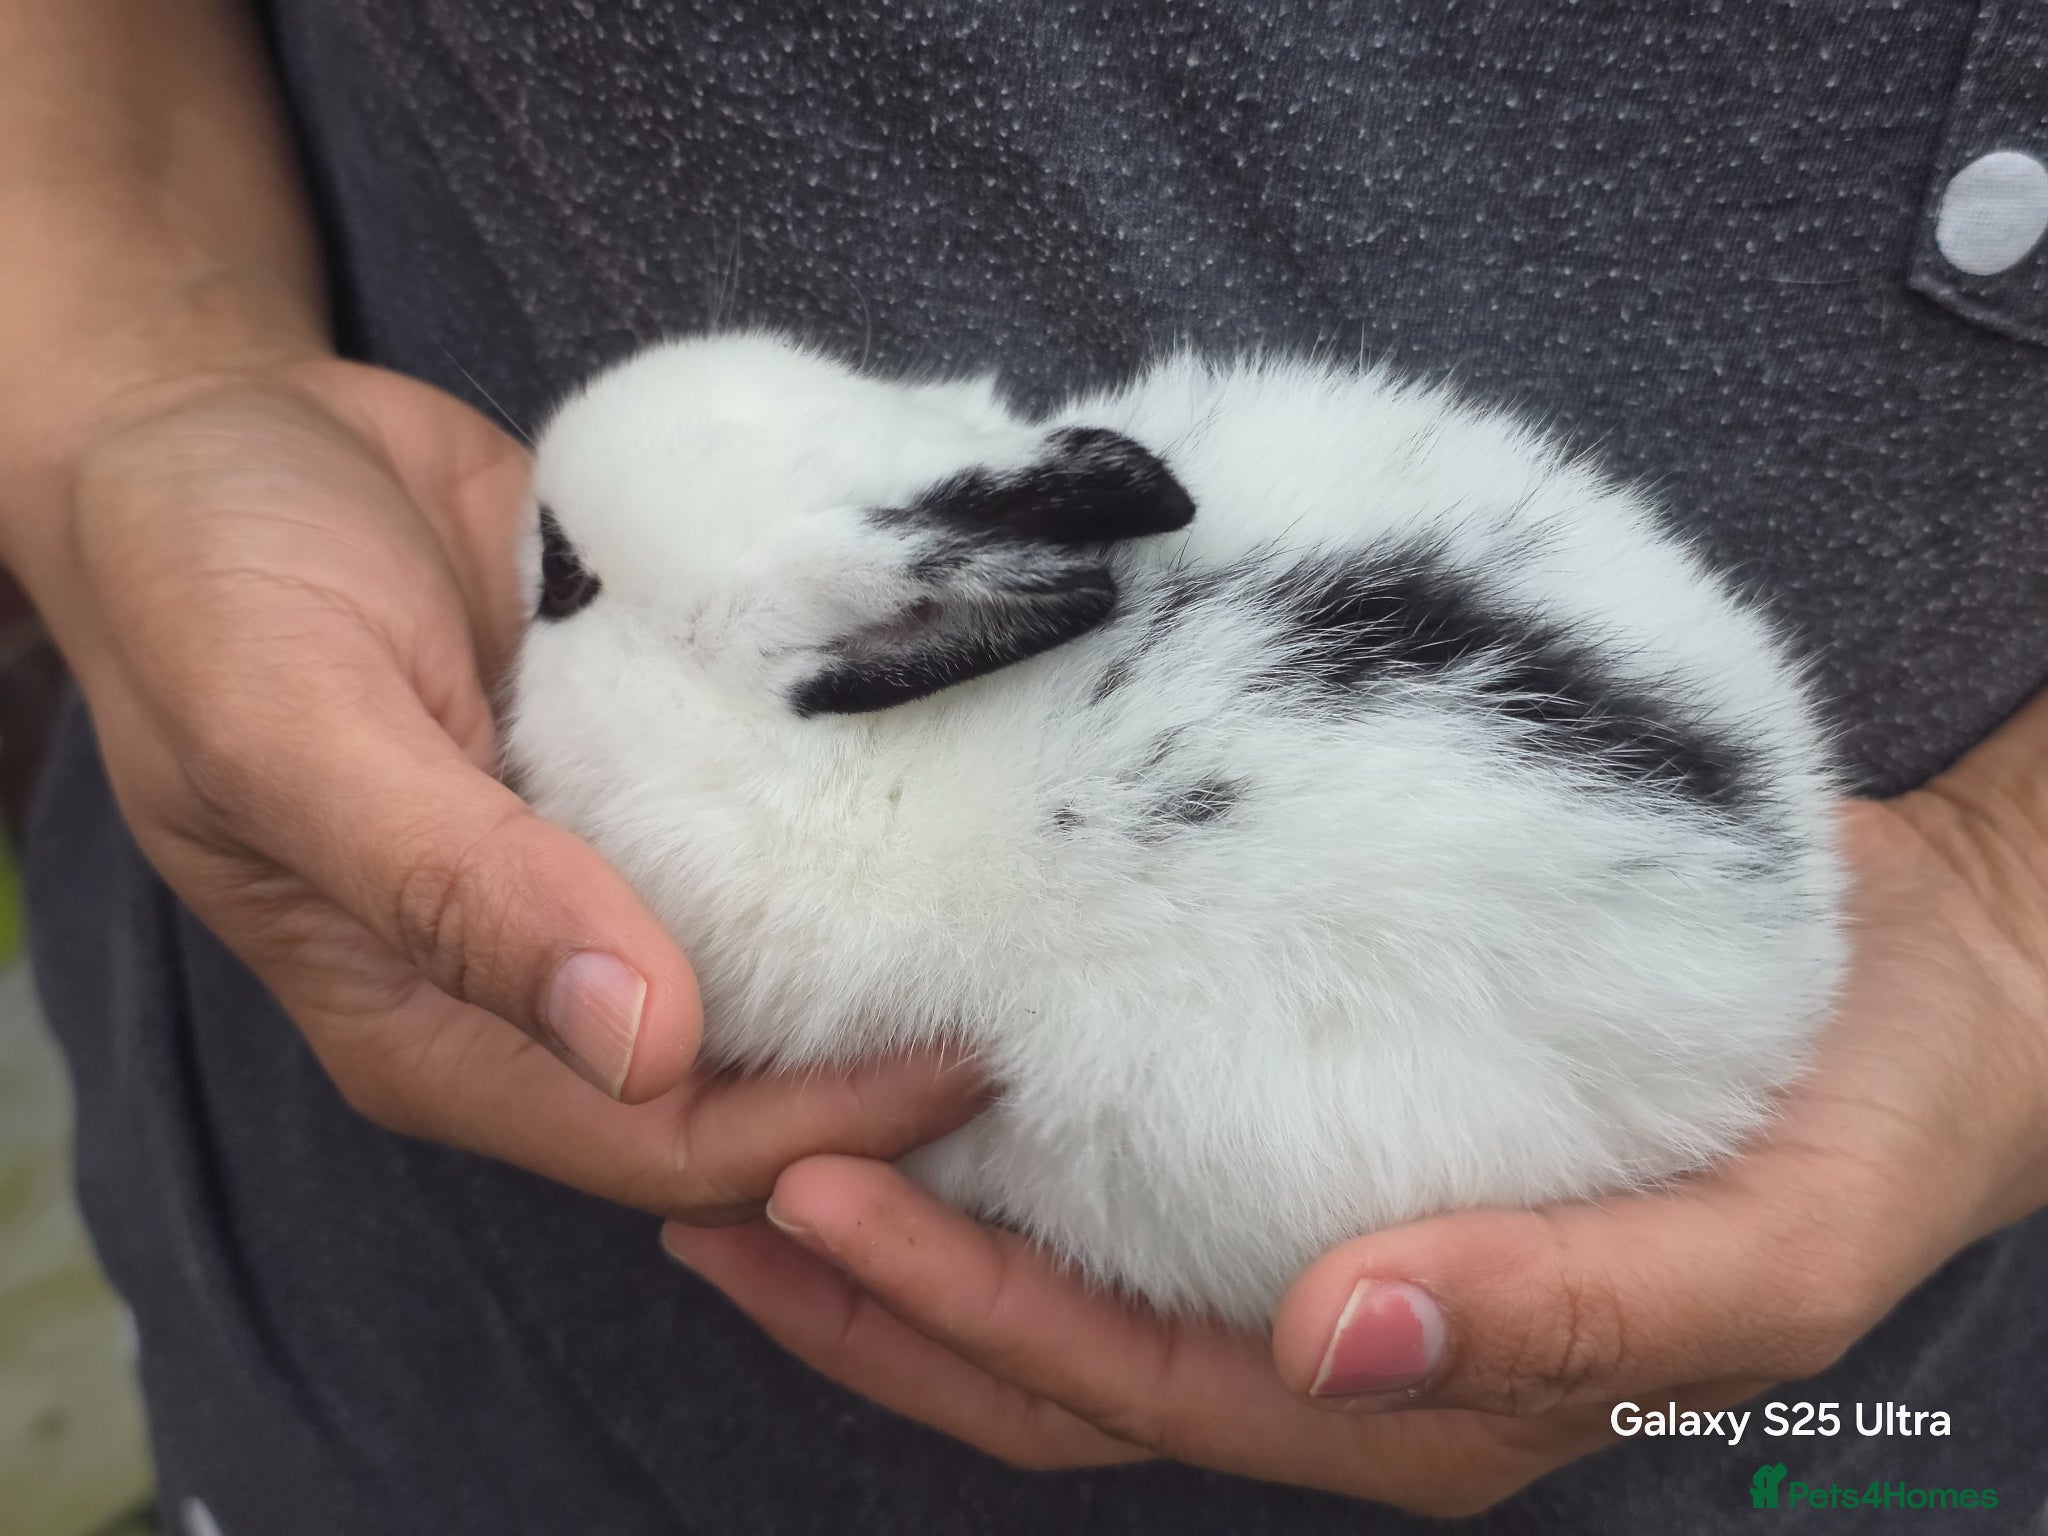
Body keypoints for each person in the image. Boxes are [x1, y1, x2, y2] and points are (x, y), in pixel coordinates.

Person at [5, 1, 2045, 1530]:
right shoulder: (963, 614)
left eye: (567, 577)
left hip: (1817, 1403)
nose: (544, 604)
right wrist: (144, 383)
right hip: (411, 1357)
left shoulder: (772, 835)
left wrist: (2015, 914)